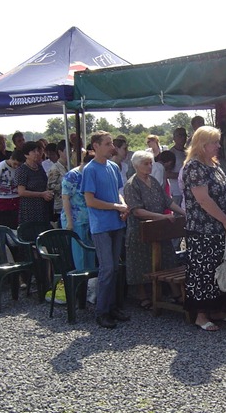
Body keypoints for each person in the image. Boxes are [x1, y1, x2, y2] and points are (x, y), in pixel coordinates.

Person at [182, 126, 226, 331]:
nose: (218, 146)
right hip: (203, 230)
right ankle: (201, 315)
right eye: (214, 142)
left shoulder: (215, 165)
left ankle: (217, 309)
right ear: (202, 144)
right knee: (203, 271)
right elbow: (203, 200)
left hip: (221, 229)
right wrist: (225, 220)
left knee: (219, 269)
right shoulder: (194, 167)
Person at [124, 150, 185, 308]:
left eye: (151, 163)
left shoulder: (153, 181)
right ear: (137, 165)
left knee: (168, 259)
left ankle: (176, 293)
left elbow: (167, 201)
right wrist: (162, 217)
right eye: (146, 164)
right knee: (140, 264)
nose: (150, 166)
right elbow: (137, 211)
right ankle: (143, 297)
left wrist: (184, 212)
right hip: (140, 230)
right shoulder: (131, 185)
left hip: (158, 229)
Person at [81, 131, 130, 329]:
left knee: (115, 268)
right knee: (107, 268)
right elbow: (90, 201)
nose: (113, 147)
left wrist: (123, 205)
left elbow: (118, 192)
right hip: (101, 226)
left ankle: (112, 307)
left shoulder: (113, 167)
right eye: (108, 144)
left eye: (112, 144)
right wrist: (116, 207)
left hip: (116, 223)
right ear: (96, 146)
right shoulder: (90, 170)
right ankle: (101, 312)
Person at [62, 150, 94, 270]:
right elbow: (65, 198)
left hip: (89, 219)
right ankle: (81, 277)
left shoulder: (92, 175)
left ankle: (91, 277)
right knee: (79, 253)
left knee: (91, 252)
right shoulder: (72, 176)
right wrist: (69, 221)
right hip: (76, 220)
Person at [16, 141, 53, 225]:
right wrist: (41, 194)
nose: (37, 153)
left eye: (37, 151)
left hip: (42, 208)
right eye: (33, 151)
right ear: (26, 155)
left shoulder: (40, 168)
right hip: (29, 209)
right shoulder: (22, 170)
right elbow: (21, 192)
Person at [0, 150, 24, 217]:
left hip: (17, 198)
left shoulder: (21, 168)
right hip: (3, 199)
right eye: (15, 164)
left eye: (19, 165)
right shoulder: (1, 166)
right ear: (11, 158)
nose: (16, 166)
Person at [47, 140, 68, 225]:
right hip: (60, 204)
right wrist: (65, 185)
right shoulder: (55, 168)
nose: (70, 153)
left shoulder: (70, 166)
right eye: (67, 151)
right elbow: (50, 186)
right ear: (60, 152)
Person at [168, 128, 188, 207]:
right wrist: (184, 175)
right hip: (177, 192)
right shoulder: (171, 153)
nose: (183, 138)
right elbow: (167, 174)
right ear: (174, 138)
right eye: (180, 135)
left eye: (184, 135)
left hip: (189, 190)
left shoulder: (188, 152)